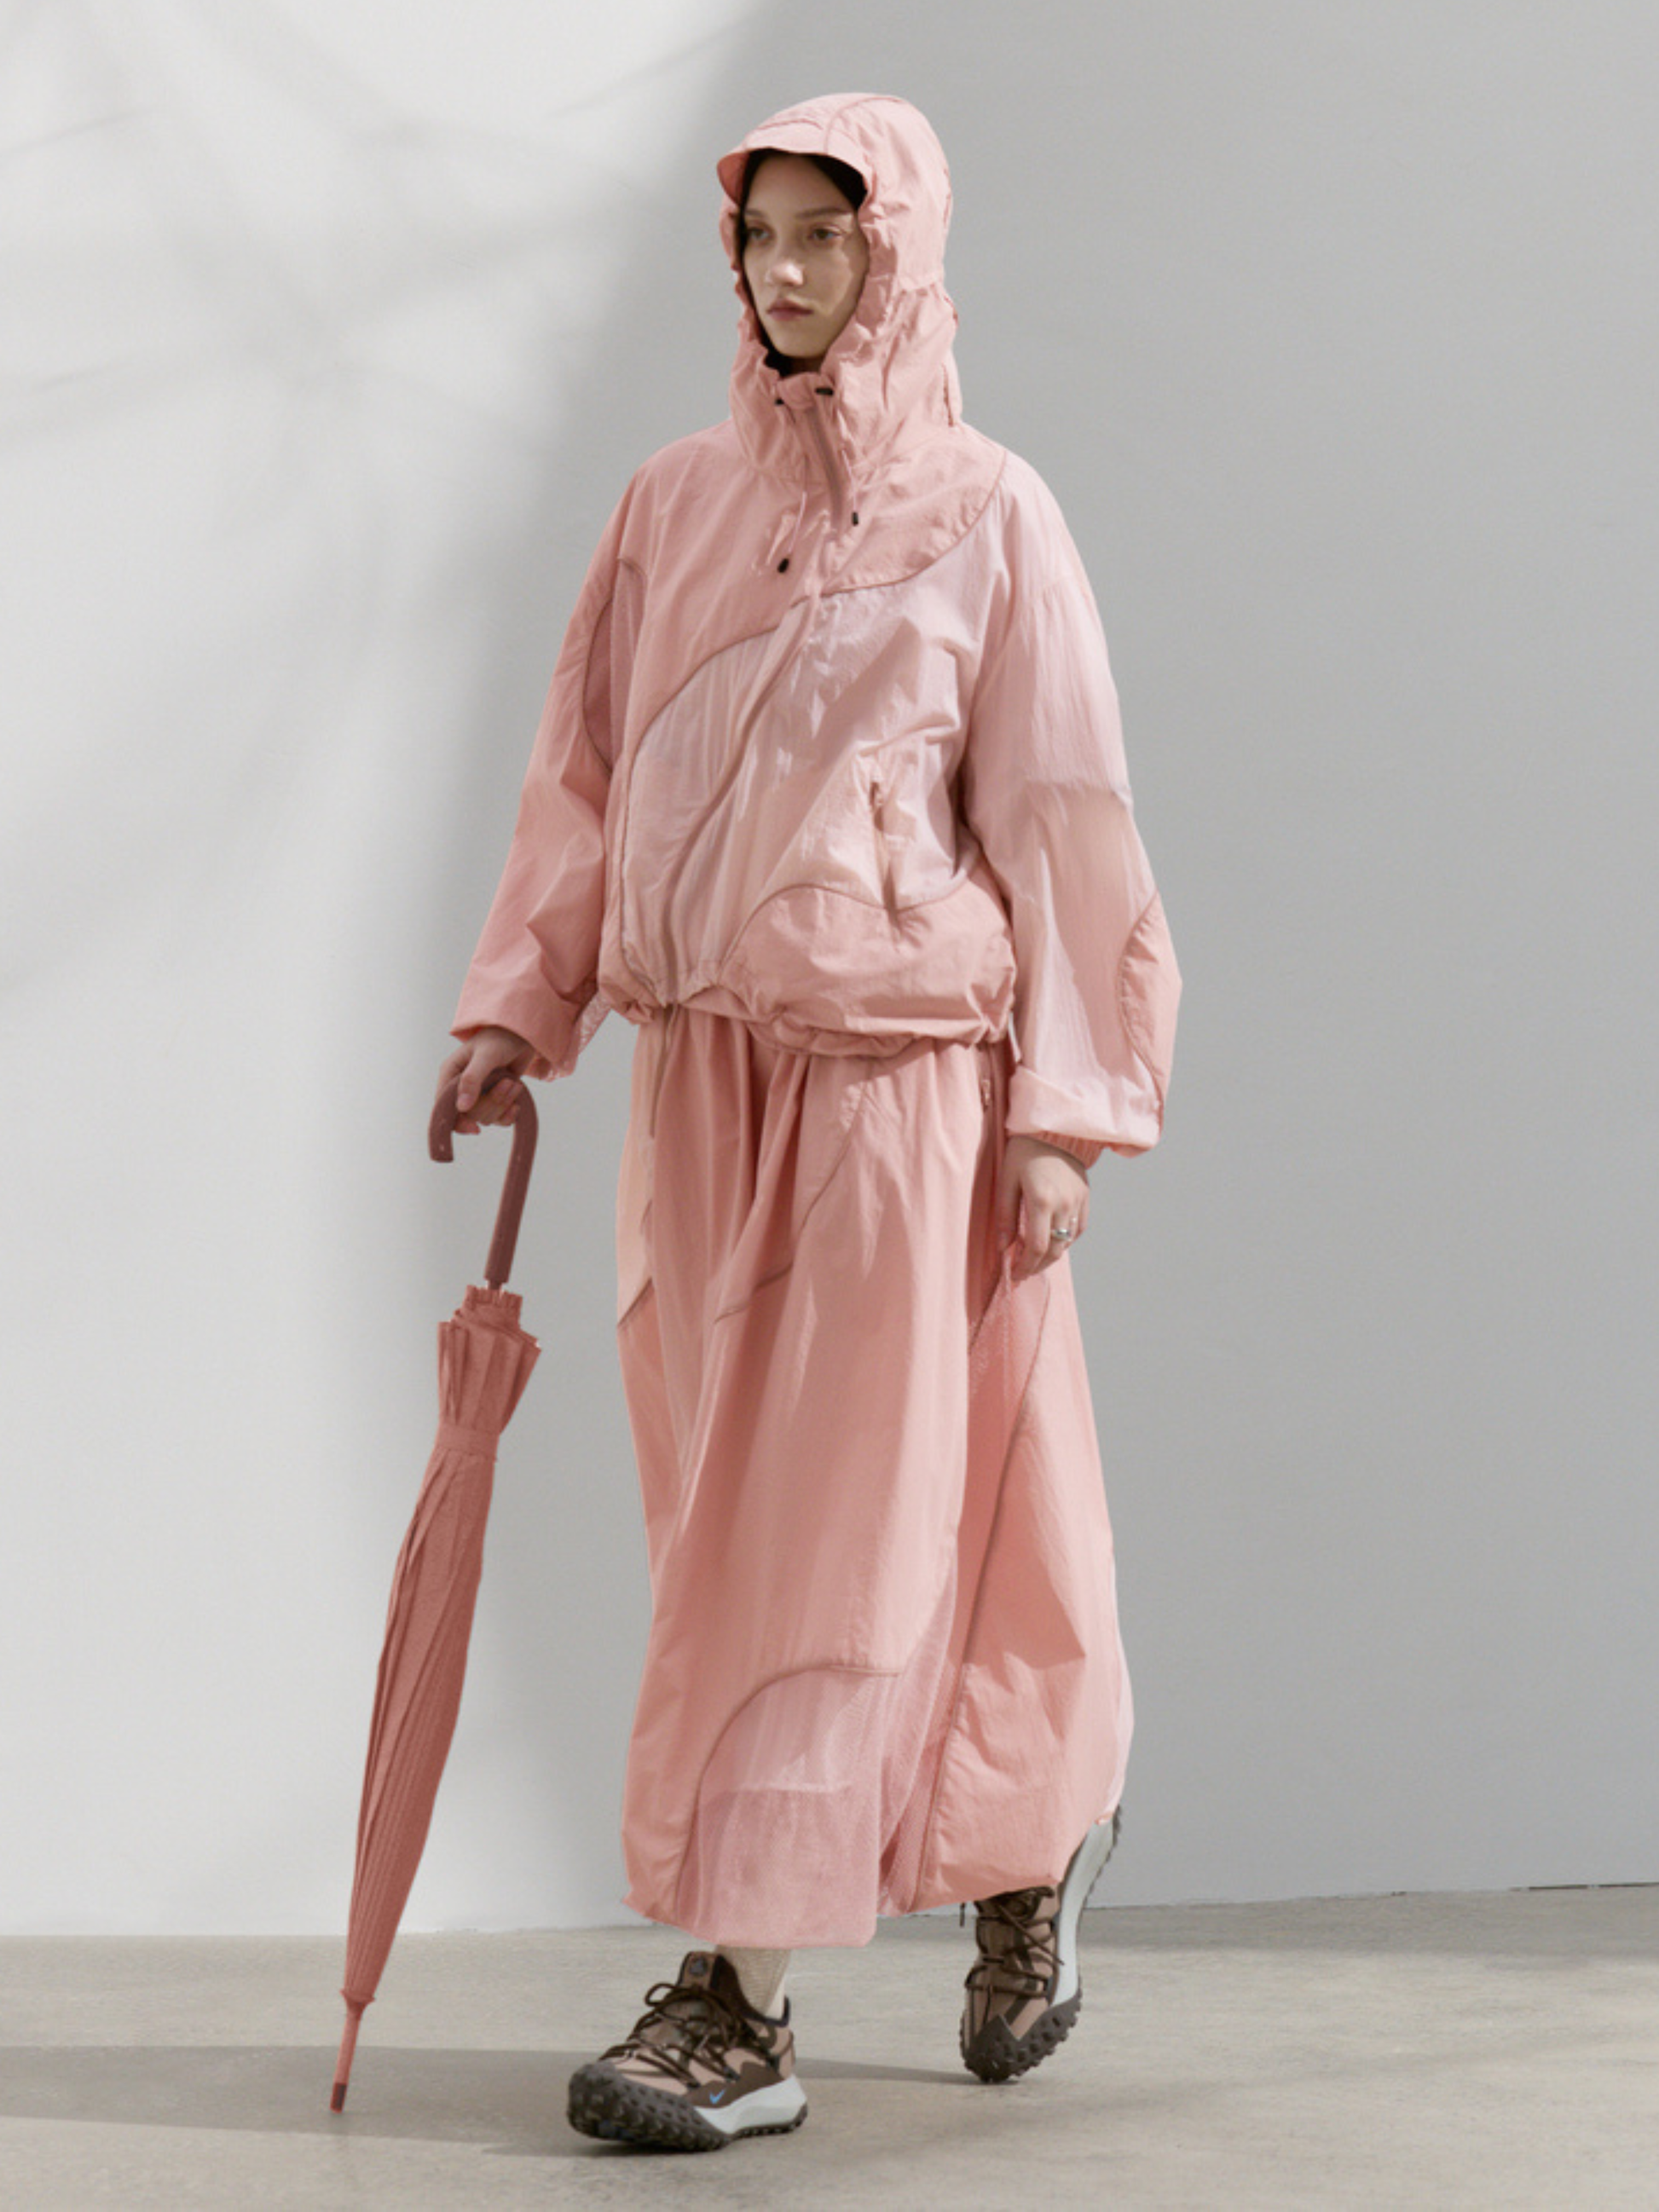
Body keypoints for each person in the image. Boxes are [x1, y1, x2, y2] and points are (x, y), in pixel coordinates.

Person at [436, 90, 1181, 2152]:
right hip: (696, 1096)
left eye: (822, 237)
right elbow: (582, 776)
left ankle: (738, 1998)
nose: (780, 272)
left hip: (897, 1101)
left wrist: (1066, 1113)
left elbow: (1065, 816)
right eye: (756, 234)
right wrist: (520, 1002)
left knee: (813, 1539)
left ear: (897, 252)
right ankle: (1032, 1821)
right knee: (743, 1531)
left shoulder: (992, 516)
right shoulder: (670, 506)